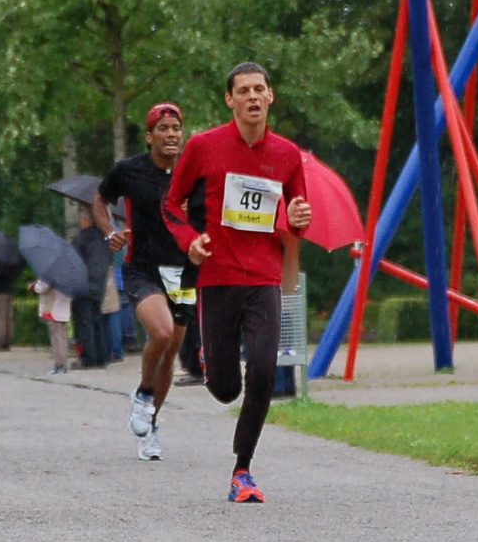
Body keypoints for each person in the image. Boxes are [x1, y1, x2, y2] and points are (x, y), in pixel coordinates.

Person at [164, 62, 312, 502]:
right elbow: (172, 203)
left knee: (264, 370)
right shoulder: (203, 146)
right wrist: (190, 241)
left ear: (270, 97)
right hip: (217, 276)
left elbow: (298, 215)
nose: (252, 97)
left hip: (263, 276)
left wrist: (299, 220)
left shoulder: (287, 156)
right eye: (243, 90)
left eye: (259, 89)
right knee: (225, 388)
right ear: (229, 100)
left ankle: (242, 470)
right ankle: (211, 355)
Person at [96, 101, 198, 459]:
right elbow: (99, 199)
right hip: (142, 267)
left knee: (169, 356)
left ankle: (150, 427)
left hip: (183, 269)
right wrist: (111, 231)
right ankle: (142, 393)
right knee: (162, 332)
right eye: (164, 129)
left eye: (176, 129)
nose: (172, 135)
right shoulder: (129, 170)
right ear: (150, 136)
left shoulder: (191, 170)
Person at [69, 205, 114, 370]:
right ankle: (101, 356)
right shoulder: (104, 238)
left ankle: (88, 358)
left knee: (84, 323)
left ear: (85, 220)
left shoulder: (82, 238)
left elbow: (72, 260)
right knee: (97, 322)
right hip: (99, 285)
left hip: (83, 285)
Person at [33, 278, 73, 373]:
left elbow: (41, 287)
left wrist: (34, 285)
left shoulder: (50, 273)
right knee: (62, 338)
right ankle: (63, 363)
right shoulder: (70, 274)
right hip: (64, 309)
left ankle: (59, 365)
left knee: (56, 339)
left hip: (53, 308)